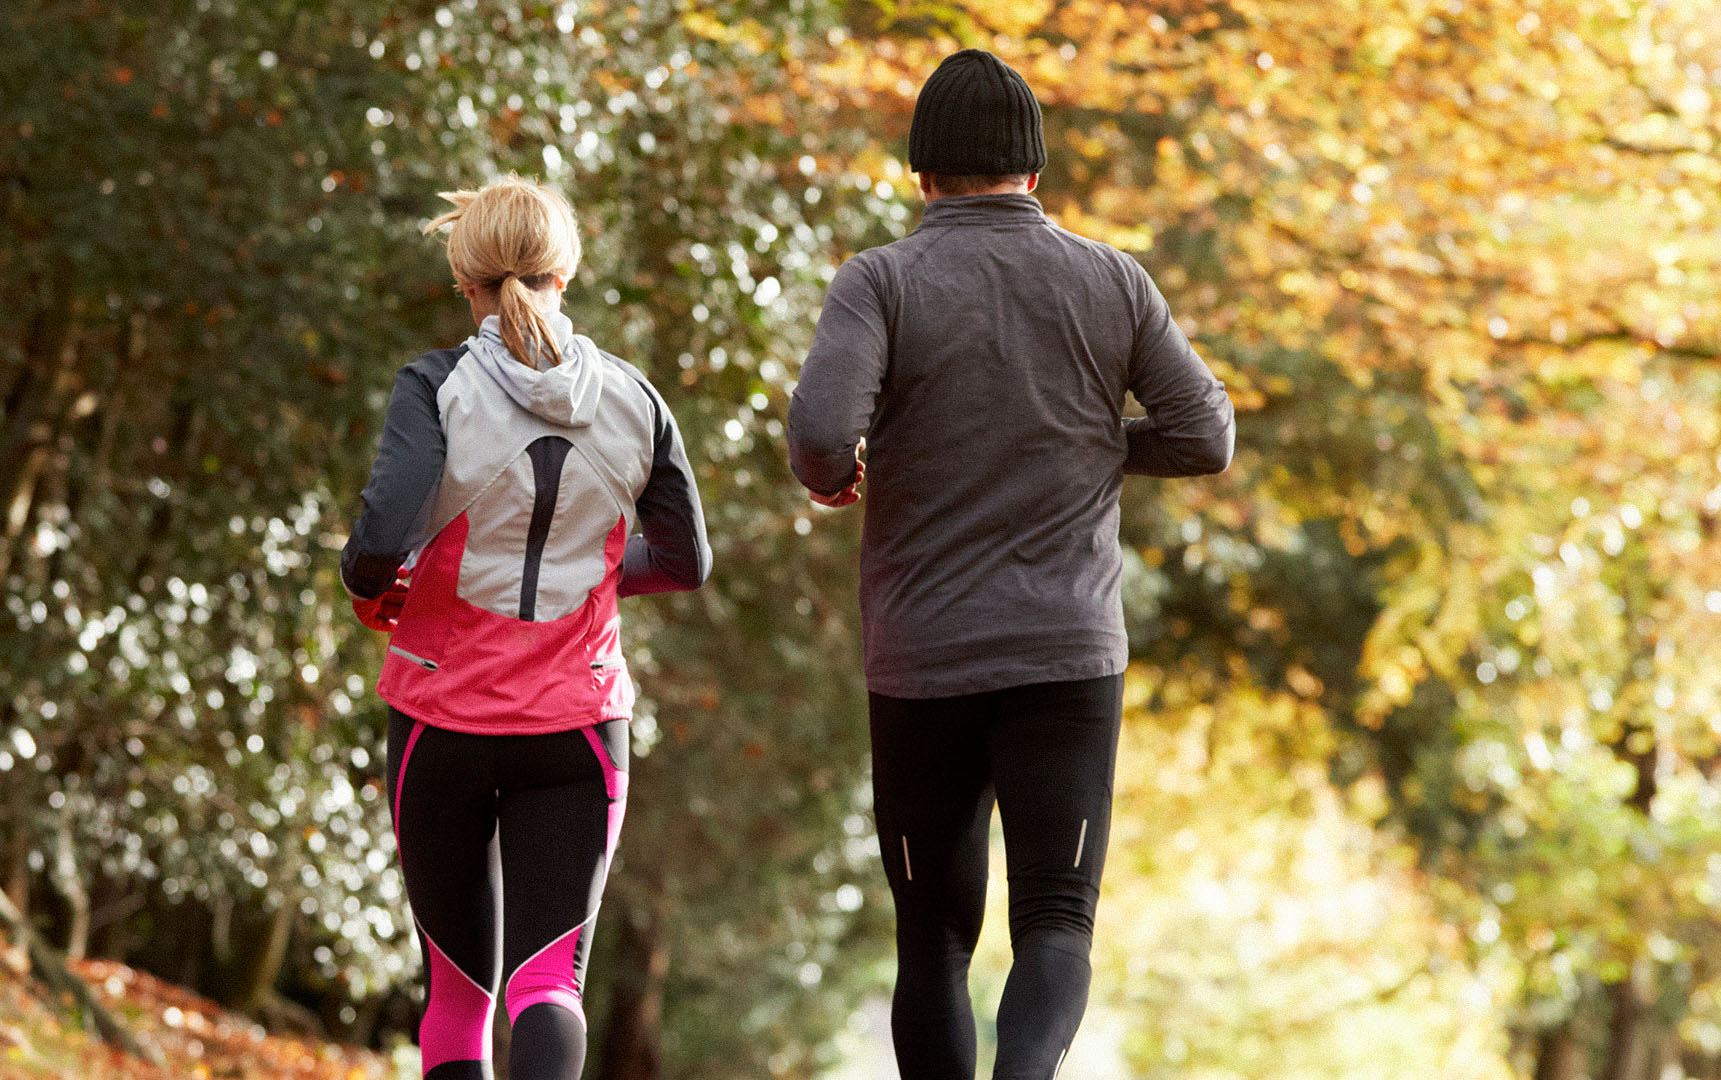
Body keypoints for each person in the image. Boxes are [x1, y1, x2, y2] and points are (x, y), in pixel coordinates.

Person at [788, 49, 1235, 1080]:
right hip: (1067, 657)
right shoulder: (1111, 280)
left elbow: (819, 438)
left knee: (932, 940)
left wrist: (845, 472)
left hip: (922, 660)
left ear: (923, 175)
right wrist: (1079, 438)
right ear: (1034, 174)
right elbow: (1206, 434)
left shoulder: (882, 282)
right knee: (1056, 924)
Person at [341, 175, 709, 1080]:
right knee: (549, 985)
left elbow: (375, 546)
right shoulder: (635, 401)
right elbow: (687, 559)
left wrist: (372, 585)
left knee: (460, 992)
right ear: (564, 274)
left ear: (466, 280)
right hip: (578, 727)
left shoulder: (434, 388)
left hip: (440, 720)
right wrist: (594, 574)